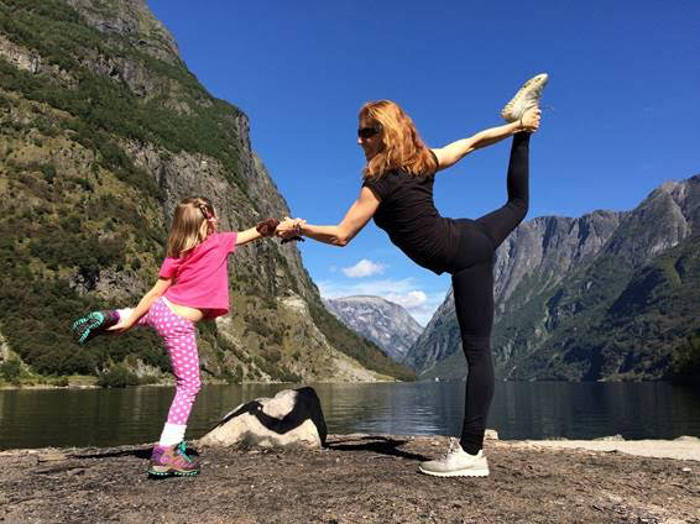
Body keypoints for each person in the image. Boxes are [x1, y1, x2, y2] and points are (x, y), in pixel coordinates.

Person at [277, 74, 548, 477]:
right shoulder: (421, 161)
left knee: (478, 352)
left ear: (383, 133)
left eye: (365, 132)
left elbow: (342, 236)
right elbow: (472, 143)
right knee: (519, 204)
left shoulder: (380, 182)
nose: (358, 140)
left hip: (465, 252)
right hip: (469, 238)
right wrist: (515, 127)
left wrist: (299, 228)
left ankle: (471, 454)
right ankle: (526, 130)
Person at [72, 197, 279, 477]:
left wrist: (131, 320)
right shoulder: (220, 242)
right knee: (189, 386)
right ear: (206, 222)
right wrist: (277, 225)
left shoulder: (177, 251)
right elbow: (256, 232)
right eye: (213, 218)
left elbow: (156, 293)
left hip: (161, 308)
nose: (217, 222)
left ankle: (111, 316)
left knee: (141, 314)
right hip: (178, 321)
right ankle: (166, 452)